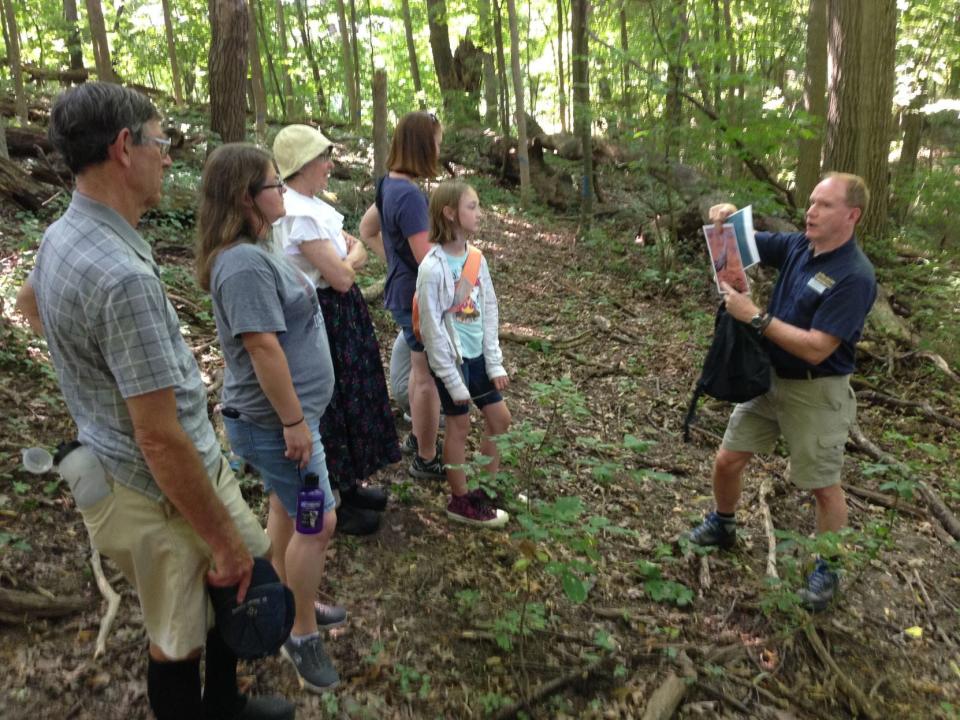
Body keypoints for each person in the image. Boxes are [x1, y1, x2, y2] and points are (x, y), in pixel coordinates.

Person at [15, 84, 293, 719]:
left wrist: (87, 380)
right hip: (154, 487)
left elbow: (32, 306)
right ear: (123, 148)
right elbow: (159, 437)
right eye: (161, 143)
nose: (168, 159)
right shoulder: (123, 276)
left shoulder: (66, 234)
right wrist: (215, 540)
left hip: (139, 462)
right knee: (179, 635)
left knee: (248, 570)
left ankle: (225, 702)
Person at [686, 173, 877, 612]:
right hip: (770, 381)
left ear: (852, 215)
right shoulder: (797, 247)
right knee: (728, 459)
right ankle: (724, 523)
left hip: (818, 392)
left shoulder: (854, 276)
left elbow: (817, 349)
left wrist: (754, 316)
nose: (811, 211)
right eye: (811, 202)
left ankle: (828, 568)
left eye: (824, 205)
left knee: (823, 486)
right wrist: (724, 217)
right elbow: (742, 241)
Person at [195, 144, 341, 693]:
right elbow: (262, 350)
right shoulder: (241, 264)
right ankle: (300, 634)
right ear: (244, 197)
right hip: (274, 425)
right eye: (274, 185)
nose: (283, 192)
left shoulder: (258, 249)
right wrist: (294, 423)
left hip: (290, 421)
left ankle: (286, 598)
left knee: (288, 504)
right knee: (319, 521)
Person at [271, 125, 397, 536]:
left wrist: (350, 256)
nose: (329, 166)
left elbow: (350, 250)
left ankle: (349, 484)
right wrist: (352, 257)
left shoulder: (312, 206)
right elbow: (341, 275)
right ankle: (335, 501)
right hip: (320, 314)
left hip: (339, 314)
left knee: (350, 394)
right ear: (302, 165)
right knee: (331, 401)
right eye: (322, 159)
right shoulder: (297, 213)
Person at [416, 180, 511, 527]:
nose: (479, 213)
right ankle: (460, 500)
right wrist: (453, 382)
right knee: (459, 424)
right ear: (450, 213)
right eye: (472, 206)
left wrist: (494, 359)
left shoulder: (475, 259)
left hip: (478, 359)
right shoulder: (432, 268)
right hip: (451, 363)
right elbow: (432, 330)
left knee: (500, 420)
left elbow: (488, 308)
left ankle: (484, 488)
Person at [359, 111, 444, 479]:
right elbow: (428, 262)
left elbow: (368, 228)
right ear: (424, 145)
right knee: (428, 378)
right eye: (438, 141)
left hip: (401, 291)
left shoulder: (388, 184)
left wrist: (393, 263)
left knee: (416, 371)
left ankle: (416, 438)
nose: (440, 148)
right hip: (416, 301)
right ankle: (427, 458)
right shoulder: (409, 195)